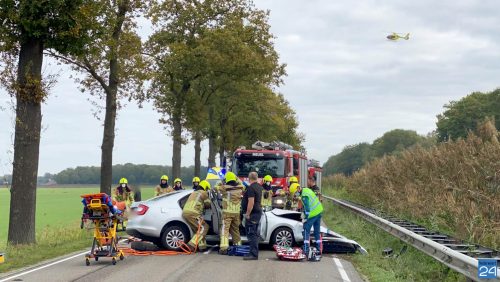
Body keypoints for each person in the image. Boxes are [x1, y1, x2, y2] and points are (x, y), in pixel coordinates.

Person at [289, 182, 323, 256]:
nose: (295, 194)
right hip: (319, 211)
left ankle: (306, 249)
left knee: (305, 230)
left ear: (298, 189)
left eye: (295, 193)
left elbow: (307, 208)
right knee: (317, 232)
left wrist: (305, 218)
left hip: (313, 214)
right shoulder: (306, 190)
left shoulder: (304, 196)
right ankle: (318, 249)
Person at [217, 172, 244, 255]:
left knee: (225, 230)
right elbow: (242, 184)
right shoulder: (240, 188)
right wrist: (237, 178)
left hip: (227, 213)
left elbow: (215, 188)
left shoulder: (224, 188)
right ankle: (238, 246)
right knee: (236, 231)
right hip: (236, 213)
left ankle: (224, 248)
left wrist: (222, 180)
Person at [182, 180, 211, 252]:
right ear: (206, 187)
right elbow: (208, 205)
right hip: (194, 213)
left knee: (197, 229)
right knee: (204, 227)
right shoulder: (204, 193)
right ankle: (191, 245)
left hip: (185, 213)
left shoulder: (193, 192)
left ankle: (202, 246)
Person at [241, 171, 262, 260]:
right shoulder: (259, 187)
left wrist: (248, 214)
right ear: (256, 178)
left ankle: (253, 254)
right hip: (257, 212)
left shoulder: (251, 188)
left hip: (252, 213)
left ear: (249, 179)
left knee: (251, 234)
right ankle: (253, 252)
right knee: (254, 233)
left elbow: (251, 202)